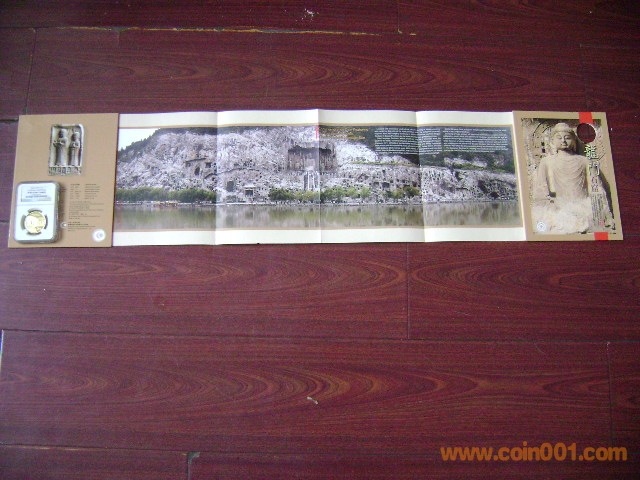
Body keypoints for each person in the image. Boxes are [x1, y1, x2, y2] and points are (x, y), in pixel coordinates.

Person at [532, 122, 612, 234]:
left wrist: (599, 207)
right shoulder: (546, 162)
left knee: (591, 219)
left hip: (583, 206)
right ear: (552, 141)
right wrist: (548, 204)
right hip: (559, 207)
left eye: (567, 138)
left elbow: (597, 187)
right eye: (559, 138)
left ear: (574, 140)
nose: (563, 141)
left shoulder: (585, 161)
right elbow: (541, 189)